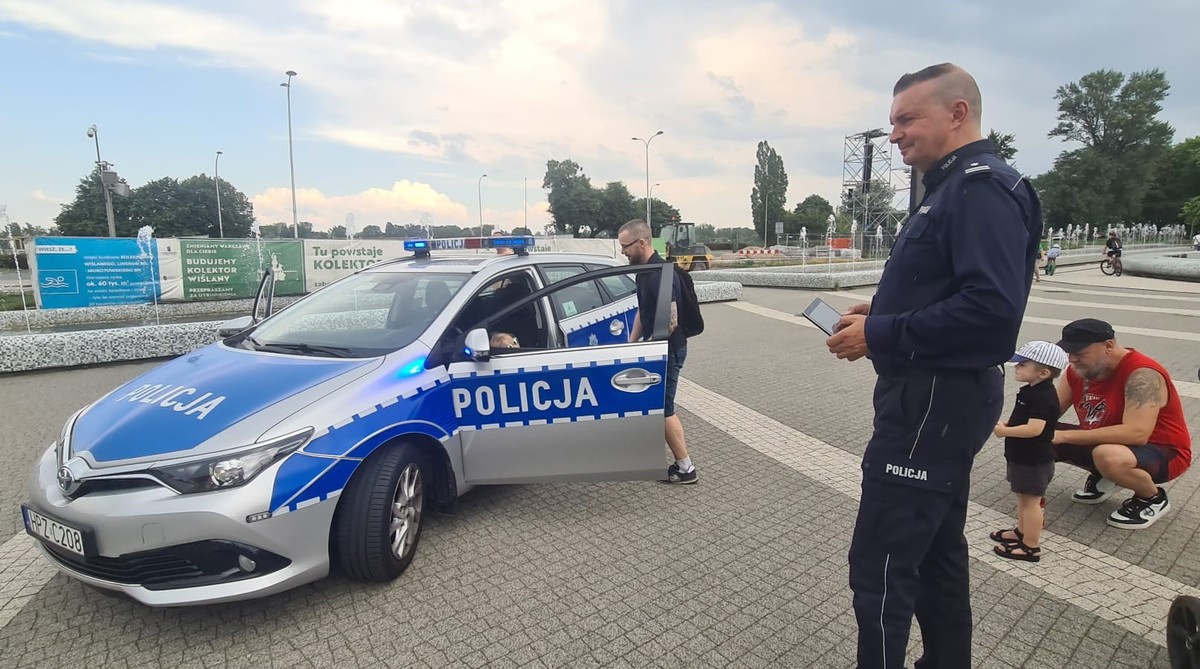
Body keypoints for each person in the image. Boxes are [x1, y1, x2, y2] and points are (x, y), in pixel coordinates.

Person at [826, 63, 1042, 668]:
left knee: (882, 568)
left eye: (906, 119)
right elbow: (960, 289)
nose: (893, 134)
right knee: (938, 555)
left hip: (932, 405)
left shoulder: (977, 186)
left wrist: (882, 332)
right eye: (892, 122)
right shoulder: (954, 187)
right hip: (935, 401)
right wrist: (887, 306)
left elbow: (992, 313)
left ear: (957, 113)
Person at [1051, 318, 1192, 529]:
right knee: (1038, 433)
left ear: (1108, 346)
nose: (1072, 359)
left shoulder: (1143, 374)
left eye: (1079, 353)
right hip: (1110, 442)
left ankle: (1152, 498)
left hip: (1164, 451)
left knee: (1108, 456)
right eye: (1068, 352)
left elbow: (1136, 434)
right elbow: (1049, 412)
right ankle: (1106, 475)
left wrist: (1064, 436)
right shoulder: (1077, 371)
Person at [618, 218, 697, 484]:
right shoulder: (644, 271)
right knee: (655, 406)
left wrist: (652, 348)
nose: (623, 252)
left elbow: (671, 320)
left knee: (664, 409)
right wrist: (631, 344)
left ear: (641, 242)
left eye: (625, 246)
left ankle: (686, 468)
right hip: (658, 347)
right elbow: (644, 309)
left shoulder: (663, 274)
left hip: (668, 350)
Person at [990, 341, 1069, 562]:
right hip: (1021, 456)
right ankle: (1021, 532)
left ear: (1043, 373)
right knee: (1023, 497)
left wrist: (1006, 431)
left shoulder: (1043, 396)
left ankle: (1030, 546)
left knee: (1032, 502)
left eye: (1023, 364)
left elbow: (1035, 428)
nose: (1017, 367)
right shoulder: (1032, 391)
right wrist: (1010, 423)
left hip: (1033, 460)